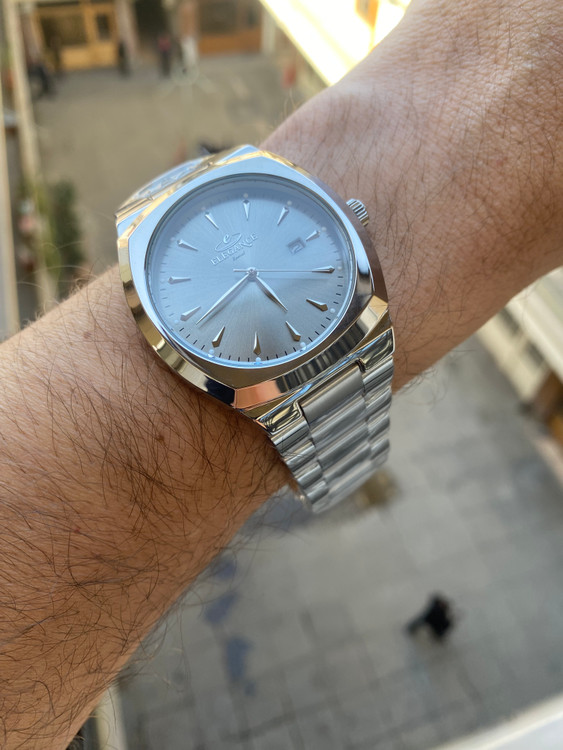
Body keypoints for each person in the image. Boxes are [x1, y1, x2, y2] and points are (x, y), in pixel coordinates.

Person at [1, 1, 563, 746]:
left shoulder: (337, 256)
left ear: (350, 217)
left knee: (333, 383)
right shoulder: (176, 327)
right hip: (264, 348)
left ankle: (334, 453)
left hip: (326, 312)